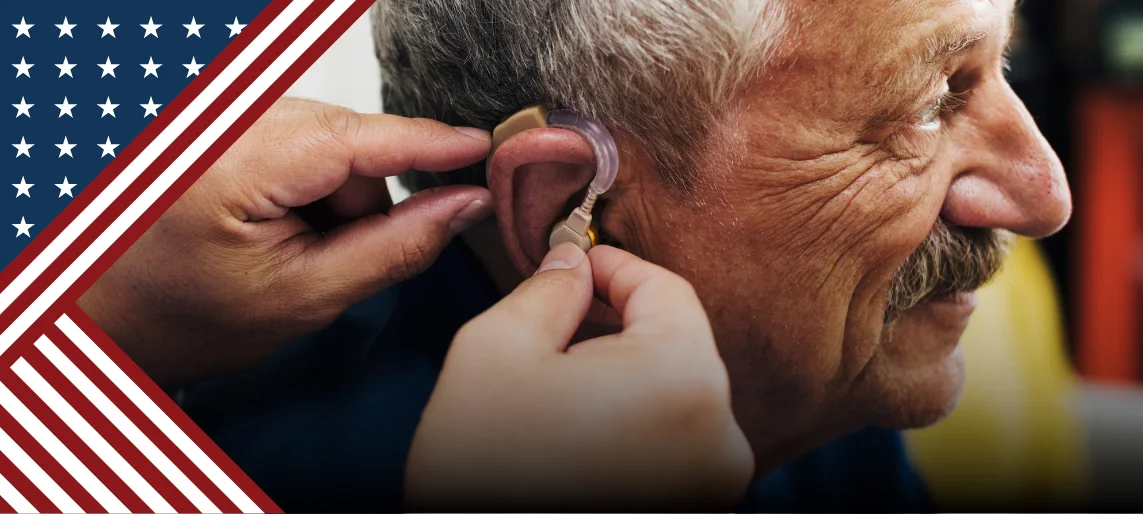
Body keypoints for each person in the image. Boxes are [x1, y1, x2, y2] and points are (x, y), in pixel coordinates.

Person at [81, 0, 1073, 510]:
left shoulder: (805, 379)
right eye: (931, 103)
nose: (1044, 195)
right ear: (572, 205)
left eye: (1001, 68)